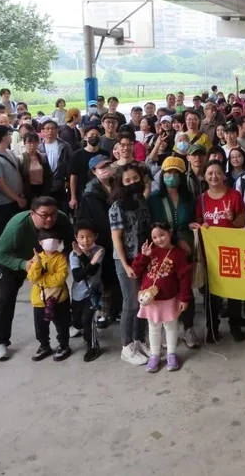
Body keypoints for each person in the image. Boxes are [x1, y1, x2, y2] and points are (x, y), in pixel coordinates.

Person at [0, 196, 73, 361]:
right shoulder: (18, 225)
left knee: (57, 292)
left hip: (45, 262)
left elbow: (71, 241)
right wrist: (23, 264)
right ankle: (0, 341)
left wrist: (63, 256)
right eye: (44, 215)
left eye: (53, 214)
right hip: (14, 262)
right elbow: (0, 254)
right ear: (32, 213)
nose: (49, 218)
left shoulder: (61, 219)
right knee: (6, 298)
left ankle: (64, 330)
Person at [191, 160, 245, 342]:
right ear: (204, 176)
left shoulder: (234, 195)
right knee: (211, 293)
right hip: (210, 254)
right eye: (210, 173)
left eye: (217, 173)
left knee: (234, 292)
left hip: (232, 252)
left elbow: (242, 223)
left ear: (224, 175)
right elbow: (198, 222)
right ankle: (212, 328)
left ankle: (235, 325)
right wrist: (199, 226)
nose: (214, 176)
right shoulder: (201, 199)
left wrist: (232, 218)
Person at [149, 156, 199, 349]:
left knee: (186, 288)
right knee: (164, 287)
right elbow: (153, 225)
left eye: (175, 173)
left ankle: (188, 327)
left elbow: (191, 219)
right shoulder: (154, 199)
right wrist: (173, 240)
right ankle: (165, 328)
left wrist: (191, 228)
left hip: (185, 249)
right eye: (167, 173)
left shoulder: (188, 198)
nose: (171, 177)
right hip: (163, 248)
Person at [109, 164, 153, 365]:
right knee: (130, 303)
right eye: (127, 181)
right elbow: (116, 239)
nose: (132, 183)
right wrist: (126, 265)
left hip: (144, 258)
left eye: (135, 178)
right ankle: (126, 347)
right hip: (126, 260)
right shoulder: (117, 207)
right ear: (120, 184)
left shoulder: (142, 200)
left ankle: (140, 339)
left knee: (143, 300)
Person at [133, 223, 192, 372]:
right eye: (154, 237)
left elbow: (185, 278)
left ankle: (171, 354)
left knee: (171, 326)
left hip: (170, 298)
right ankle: (154, 355)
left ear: (170, 233)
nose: (159, 239)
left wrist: (184, 298)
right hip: (151, 299)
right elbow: (136, 270)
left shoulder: (178, 254)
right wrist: (144, 257)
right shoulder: (150, 251)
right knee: (153, 327)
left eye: (161, 235)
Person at [76, 156, 119, 330]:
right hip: (102, 242)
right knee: (104, 278)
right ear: (94, 171)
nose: (106, 169)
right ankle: (104, 312)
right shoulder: (89, 194)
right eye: (101, 167)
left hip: (120, 237)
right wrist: (87, 243)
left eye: (108, 165)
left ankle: (117, 309)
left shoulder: (118, 185)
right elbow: (84, 221)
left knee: (117, 277)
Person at [26, 230, 72, 362]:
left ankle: (64, 346)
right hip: (39, 300)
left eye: (54, 239)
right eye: (47, 240)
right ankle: (44, 346)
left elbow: (60, 278)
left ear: (59, 243)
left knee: (62, 325)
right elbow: (31, 276)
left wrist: (41, 280)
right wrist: (38, 264)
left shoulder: (61, 258)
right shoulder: (36, 258)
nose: (51, 242)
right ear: (40, 243)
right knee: (40, 327)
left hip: (59, 299)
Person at [0, 124, 27, 248]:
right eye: (9, 134)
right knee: (3, 235)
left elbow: (17, 173)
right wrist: (17, 198)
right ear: (4, 138)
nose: (11, 136)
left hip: (15, 199)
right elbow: (1, 184)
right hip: (1, 204)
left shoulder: (9, 152)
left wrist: (21, 194)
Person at [69, 220, 104, 362]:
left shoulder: (99, 250)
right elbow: (78, 276)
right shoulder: (73, 255)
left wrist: (89, 260)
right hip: (77, 294)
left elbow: (93, 271)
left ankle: (93, 346)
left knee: (87, 320)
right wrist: (90, 260)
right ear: (76, 238)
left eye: (89, 236)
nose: (85, 240)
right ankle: (81, 329)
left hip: (93, 293)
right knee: (77, 321)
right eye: (81, 237)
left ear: (95, 236)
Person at [38, 118, 73, 211]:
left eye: (53, 128)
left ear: (57, 130)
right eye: (47, 128)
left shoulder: (64, 146)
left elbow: (70, 165)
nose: (50, 131)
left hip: (60, 184)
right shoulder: (38, 148)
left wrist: (68, 180)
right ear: (42, 131)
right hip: (43, 185)